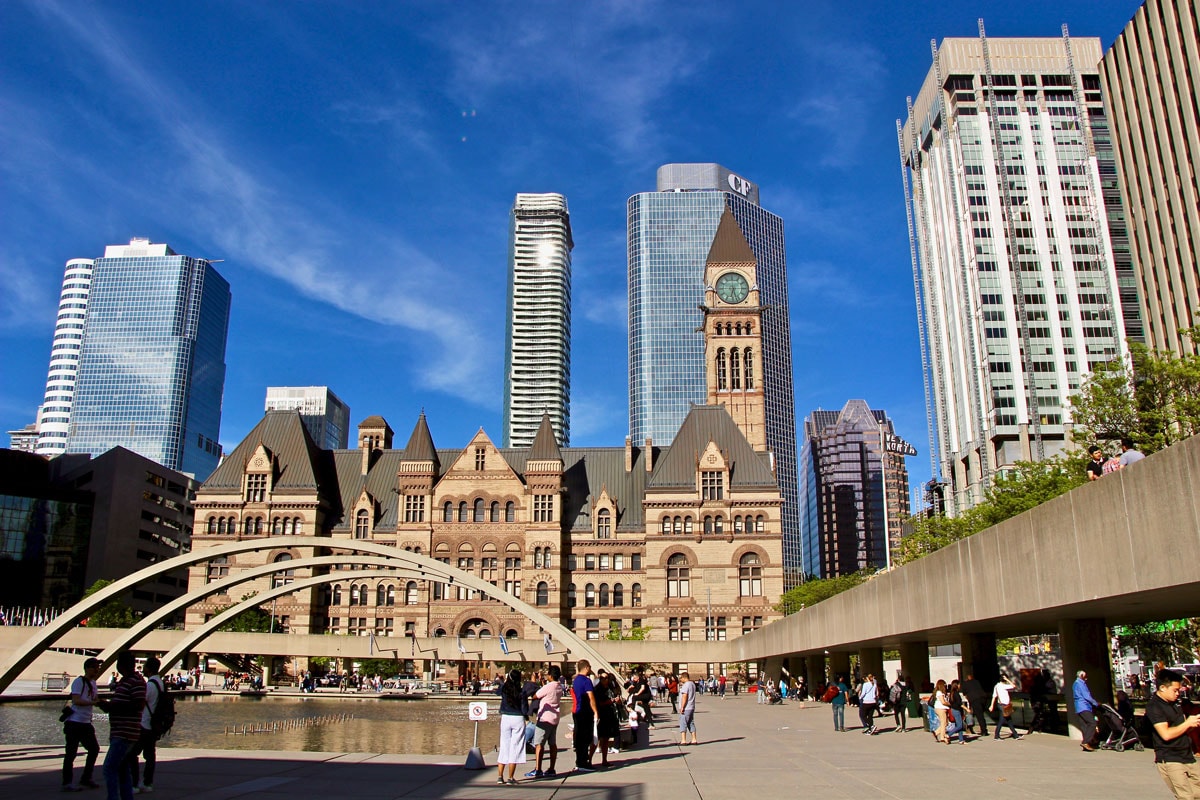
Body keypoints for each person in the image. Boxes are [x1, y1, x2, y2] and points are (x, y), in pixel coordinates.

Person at [1146, 669, 1200, 798]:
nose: (1178, 694)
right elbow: (1166, 734)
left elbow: (1181, 729)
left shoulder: (1176, 703)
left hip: (1187, 757)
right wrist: (1187, 724)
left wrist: (1193, 724)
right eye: (1175, 690)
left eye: (1179, 690)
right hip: (1170, 759)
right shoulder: (1154, 706)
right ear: (1163, 688)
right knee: (1186, 797)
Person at [103, 651, 147, 800]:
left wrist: (112, 707)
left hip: (125, 733)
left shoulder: (135, 681)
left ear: (122, 665)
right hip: (121, 731)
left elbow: (138, 705)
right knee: (122, 769)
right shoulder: (126, 681)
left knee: (109, 767)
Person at [62, 657, 103, 792]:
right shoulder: (79, 682)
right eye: (94, 667)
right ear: (86, 668)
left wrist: (101, 702)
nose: (96, 670)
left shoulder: (93, 683)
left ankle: (86, 778)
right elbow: (77, 700)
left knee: (94, 749)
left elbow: (95, 698)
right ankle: (67, 782)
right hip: (74, 722)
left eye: (97, 667)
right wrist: (93, 703)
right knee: (71, 753)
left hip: (85, 722)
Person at [129, 656, 163, 793]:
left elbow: (140, 702)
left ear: (148, 668)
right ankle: (147, 782)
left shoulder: (150, 685)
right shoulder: (161, 683)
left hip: (144, 724)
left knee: (132, 754)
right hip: (154, 725)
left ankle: (134, 784)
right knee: (150, 755)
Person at [527, 665, 563, 779]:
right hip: (554, 719)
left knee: (539, 744)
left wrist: (533, 682)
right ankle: (552, 768)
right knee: (552, 744)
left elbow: (535, 696)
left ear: (551, 676)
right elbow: (548, 693)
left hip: (544, 719)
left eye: (548, 674)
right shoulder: (559, 686)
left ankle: (538, 769)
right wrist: (542, 683)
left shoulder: (549, 686)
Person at [496, 669, 529, 785]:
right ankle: (511, 777)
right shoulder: (521, 692)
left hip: (505, 717)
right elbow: (525, 708)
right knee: (516, 747)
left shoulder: (504, 689)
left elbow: (496, 691)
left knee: (504, 745)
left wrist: (505, 681)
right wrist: (527, 718)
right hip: (518, 718)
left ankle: (500, 776)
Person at [571, 660, 598, 773]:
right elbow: (591, 697)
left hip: (576, 711)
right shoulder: (586, 681)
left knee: (579, 737)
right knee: (586, 737)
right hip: (585, 712)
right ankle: (583, 762)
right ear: (586, 667)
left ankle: (580, 761)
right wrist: (596, 711)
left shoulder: (576, 680)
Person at [593, 671, 621, 767]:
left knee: (606, 739)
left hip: (610, 715)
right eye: (602, 678)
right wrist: (611, 701)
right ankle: (589, 759)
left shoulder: (611, 688)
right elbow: (600, 703)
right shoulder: (598, 689)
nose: (605, 680)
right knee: (596, 739)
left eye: (606, 678)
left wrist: (617, 700)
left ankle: (604, 760)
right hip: (601, 715)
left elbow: (615, 697)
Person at [1073, 670, 1101, 752]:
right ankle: (1086, 741)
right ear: (1081, 676)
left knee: (1084, 725)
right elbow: (1086, 696)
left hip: (1078, 707)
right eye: (1085, 676)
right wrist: (1095, 703)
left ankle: (1088, 742)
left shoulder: (1075, 683)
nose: (1086, 678)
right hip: (1084, 706)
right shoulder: (1080, 684)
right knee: (1092, 723)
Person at [990, 674, 1022, 740]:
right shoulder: (1003, 686)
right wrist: (1007, 679)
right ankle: (996, 736)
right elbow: (1014, 686)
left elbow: (994, 696)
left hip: (1001, 704)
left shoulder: (996, 686)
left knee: (1009, 720)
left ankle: (1015, 735)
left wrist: (991, 705)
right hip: (1004, 705)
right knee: (1002, 720)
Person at [677, 671, 698, 745]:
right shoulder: (692, 684)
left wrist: (682, 707)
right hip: (691, 706)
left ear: (684, 677)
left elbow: (684, 696)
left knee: (683, 723)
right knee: (691, 722)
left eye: (681, 678)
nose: (680, 680)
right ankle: (694, 739)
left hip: (686, 707)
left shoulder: (686, 685)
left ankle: (683, 740)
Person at [947, 679, 966, 744]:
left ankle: (961, 740)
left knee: (958, 724)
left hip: (953, 710)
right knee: (960, 726)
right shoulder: (956, 694)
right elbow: (960, 703)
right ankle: (948, 734)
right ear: (957, 685)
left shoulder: (951, 693)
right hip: (957, 710)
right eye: (959, 684)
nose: (960, 685)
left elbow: (950, 702)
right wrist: (967, 709)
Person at [932, 679, 950, 744]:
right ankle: (942, 737)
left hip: (942, 709)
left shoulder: (942, 693)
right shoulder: (939, 692)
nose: (945, 686)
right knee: (943, 722)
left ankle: (936, 732)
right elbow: (943, 702)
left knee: (946, 723)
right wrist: (949, 704)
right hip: (940, 708)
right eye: (944, 685)